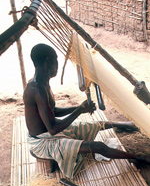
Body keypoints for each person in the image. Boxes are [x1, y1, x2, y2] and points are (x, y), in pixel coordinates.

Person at [23, 43, 150, 179]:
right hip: (43, 142)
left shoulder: (42, 83)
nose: (57, 65)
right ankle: (137, 158)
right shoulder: (37, 89)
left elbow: (52, 111)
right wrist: (79, 110)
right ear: (48, 61)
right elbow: (53, 129)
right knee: (99, 147)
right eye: (56, 59)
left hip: (49, 132)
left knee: (93, 125)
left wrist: (80, 109)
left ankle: (127, 125)